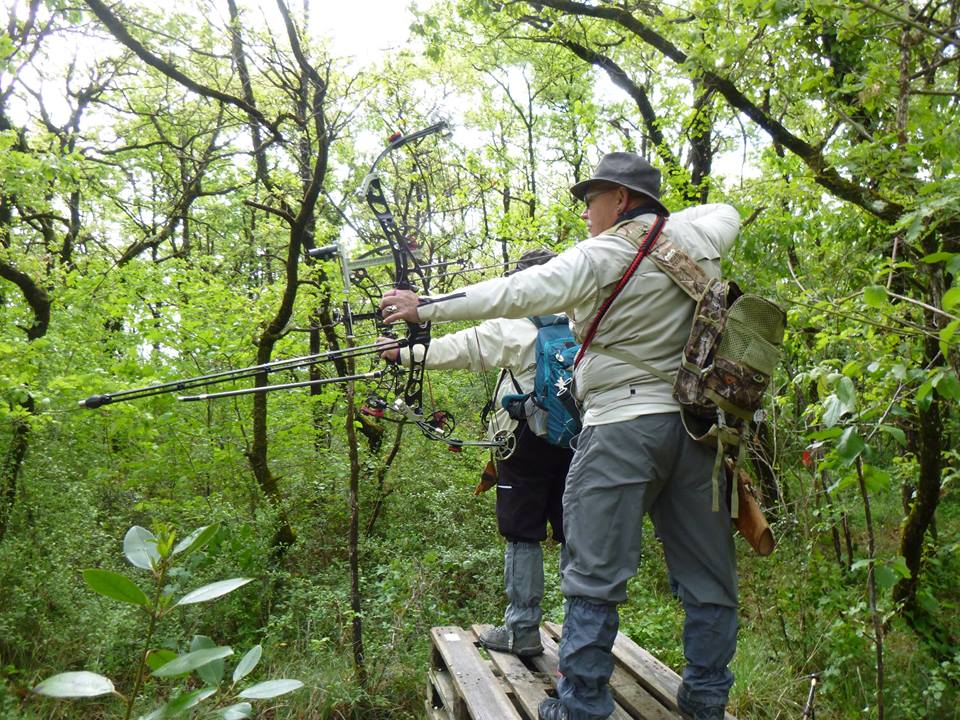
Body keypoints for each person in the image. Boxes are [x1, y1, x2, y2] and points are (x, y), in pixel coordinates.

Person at [378, 152, 742, 720]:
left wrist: (424, 306)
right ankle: (705, 703)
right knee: (709, 576)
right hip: (698, 431)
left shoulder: (603, 253)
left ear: (620, 199)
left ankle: (582, 707)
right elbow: (727, 209)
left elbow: (514, 292)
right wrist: (667, 220)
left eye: (592, 199)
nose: (586, 214)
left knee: (593, 573)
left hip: (620, 430)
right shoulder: (702, 236)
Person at [378, 249, 574, 658]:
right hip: (578, 441)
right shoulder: (584, 318)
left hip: (523, 441)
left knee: (522, 532)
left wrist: (402, 354)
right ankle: (579, 635)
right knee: (576, 533)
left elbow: (463, 348)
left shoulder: (514, 324)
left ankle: (522, 630)